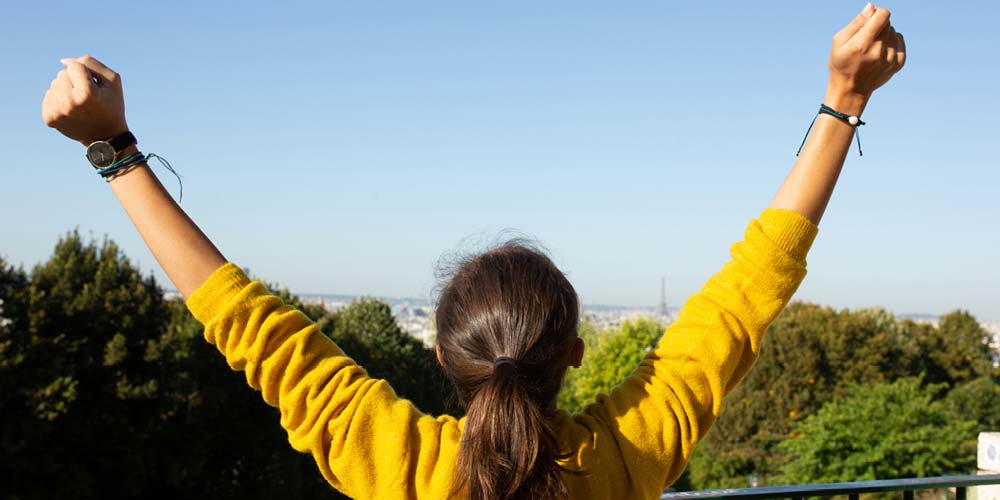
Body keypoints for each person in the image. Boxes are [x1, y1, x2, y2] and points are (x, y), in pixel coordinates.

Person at [40, 4, 905, 499]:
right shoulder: (623, 459)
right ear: (571, 352)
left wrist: (114, 151)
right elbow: (743, 298)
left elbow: (245, 323)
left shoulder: (397, 463)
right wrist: (843, 100)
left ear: (446, 357)